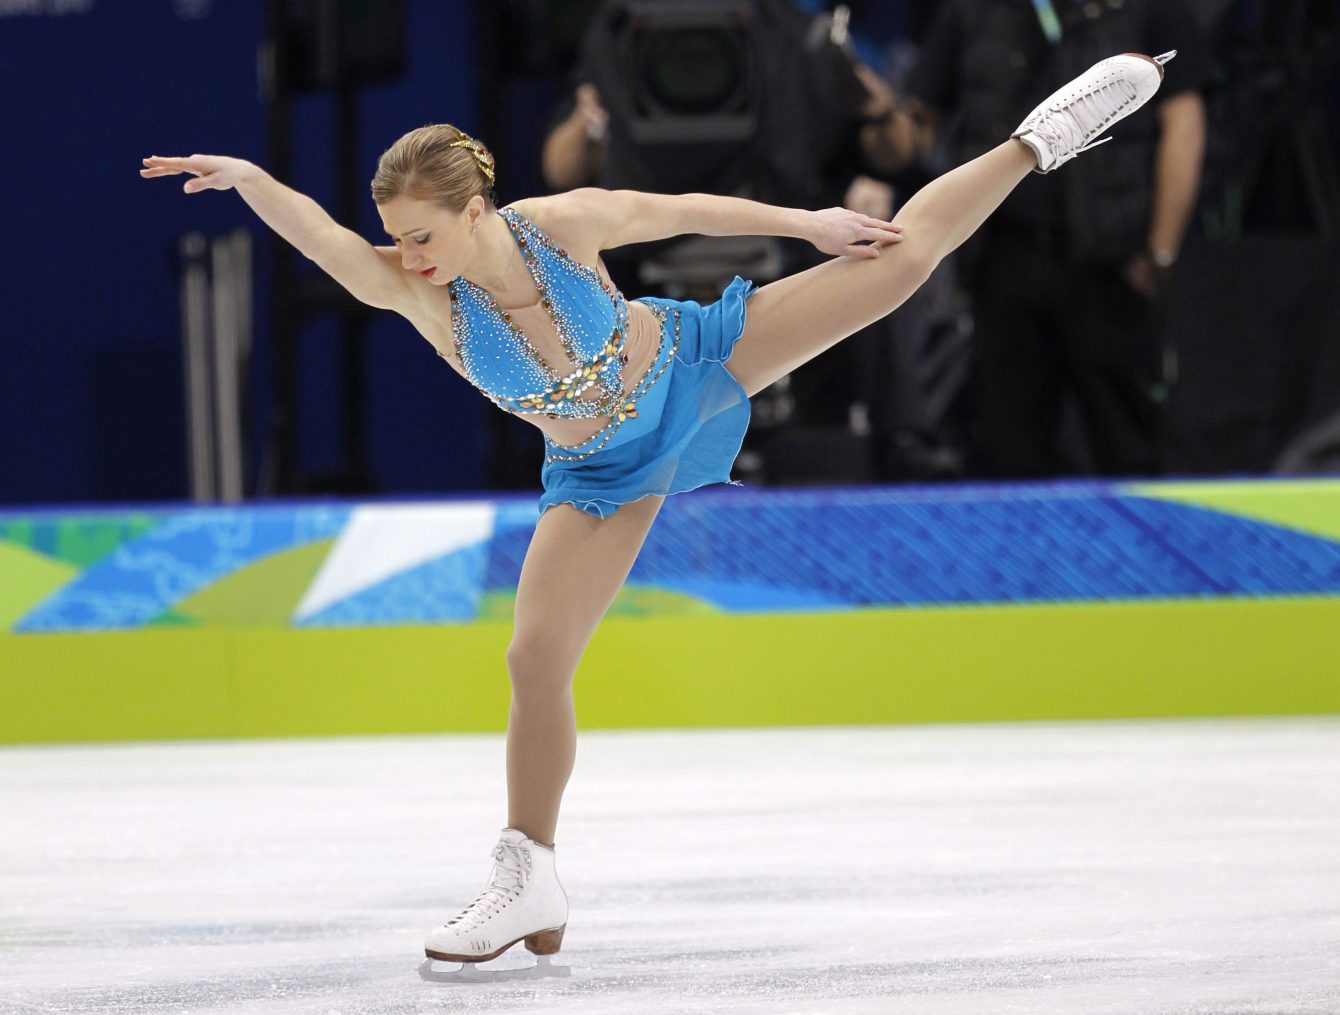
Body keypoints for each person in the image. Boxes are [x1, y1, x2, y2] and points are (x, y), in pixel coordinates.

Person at [141, 51, 1174, 967]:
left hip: (693, 364)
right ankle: (529, 867)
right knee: (531, 657)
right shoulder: (417, 294)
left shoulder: (555, 227)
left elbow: (681, 206)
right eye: (396, 238)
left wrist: (806, 224)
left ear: (472, 212)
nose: (405, 255)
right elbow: (319, 238)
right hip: (600, 473)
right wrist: (247, 178)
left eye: (420, 234)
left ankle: (1038, 140)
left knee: (897, 261)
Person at [867, 0, 1208, 478]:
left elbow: (1183, 126)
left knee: (1127, 445)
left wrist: (1160, 250)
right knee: (1007, 448)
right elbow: (917, 129)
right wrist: (876, 122)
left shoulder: (1149, 9)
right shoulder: (969, 12)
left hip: (1113, 263)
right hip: (1006, 256)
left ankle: (1140, 548)